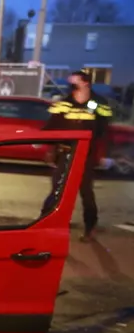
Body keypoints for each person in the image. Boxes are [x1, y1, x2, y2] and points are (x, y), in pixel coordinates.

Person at [41, 70, 113, 242]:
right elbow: (52, 125)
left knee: (86, 192)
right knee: (57, 189)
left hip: (86, 154)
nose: (70, 86)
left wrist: (104, 155)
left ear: (85, 83)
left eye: (74, 82)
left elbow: (104, 131)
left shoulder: (98, 104)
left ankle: (90, 228)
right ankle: (44, 223)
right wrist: (45, 145)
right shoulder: (64, 103)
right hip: (65, 152)